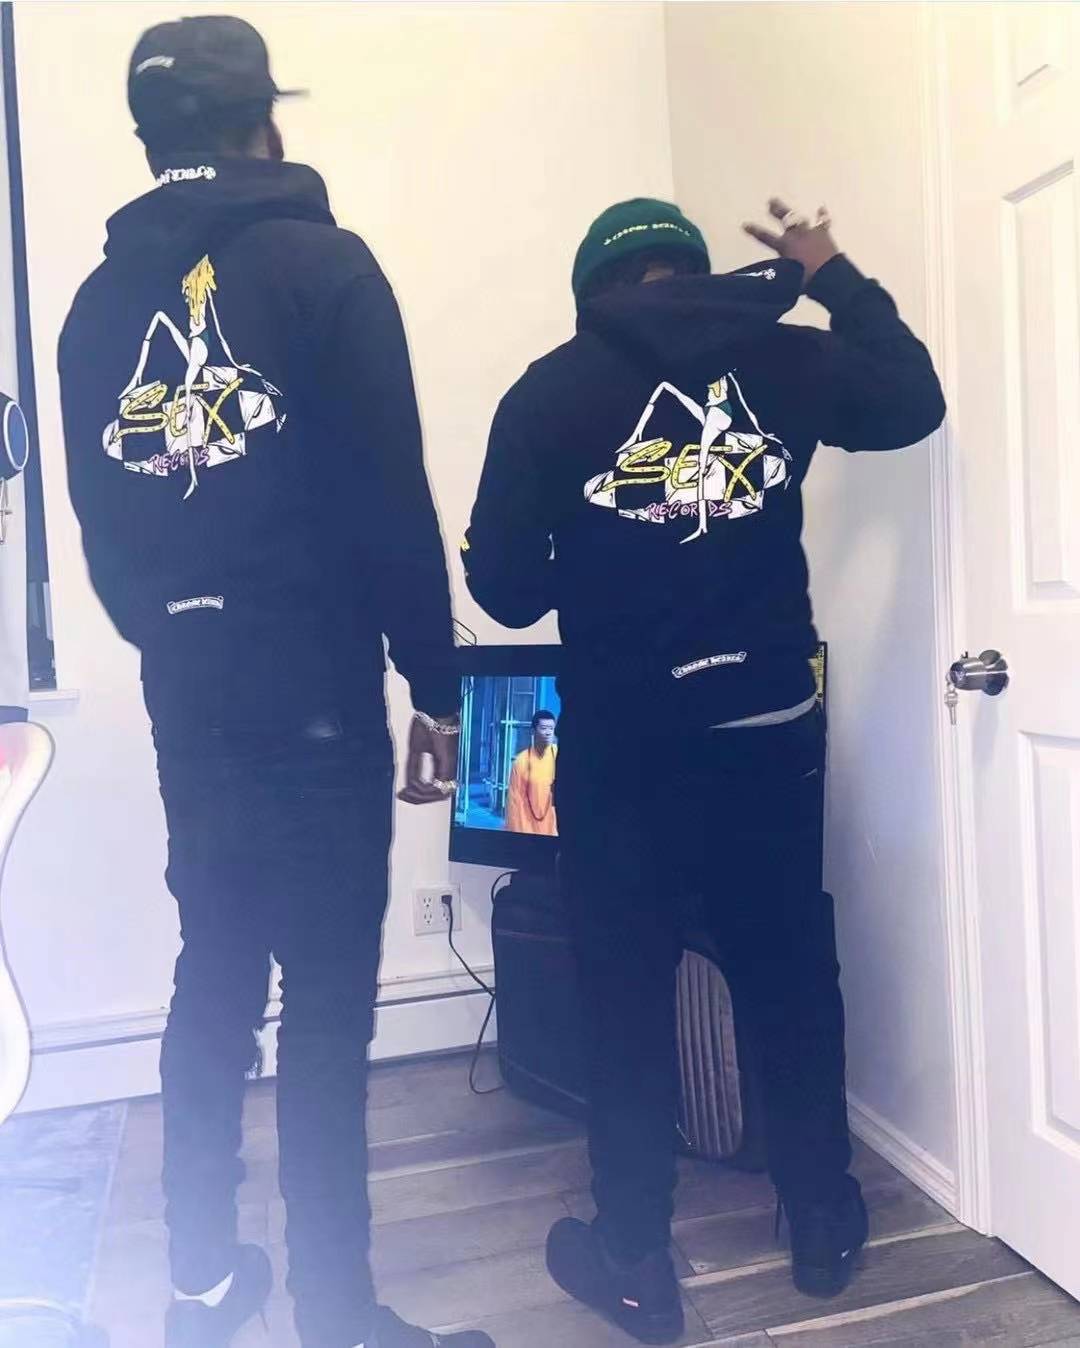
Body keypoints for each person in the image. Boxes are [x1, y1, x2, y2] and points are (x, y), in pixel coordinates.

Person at [59, 18, 489, 1348]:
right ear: (265, 123)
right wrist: (436, 683)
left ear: (151, 141)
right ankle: (341, 1316)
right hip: (314, 696)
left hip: (191, 697)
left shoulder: (92, 307)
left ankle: (201, 1286)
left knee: (214, 974)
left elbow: (104, 531)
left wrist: (178, 633)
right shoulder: (326, 267)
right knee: (327, 1010)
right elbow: (389, 498)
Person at [464, 196, 945, 1343]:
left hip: (626, 746)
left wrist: (588, 550)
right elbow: (913, 399)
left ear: (591, 293)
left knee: (623, 999)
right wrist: (827, 268)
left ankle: (636, 1259)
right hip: (767, 729)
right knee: (788, 974)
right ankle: (821, 1219)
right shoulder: (783, 356)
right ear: (694, 270)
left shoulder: (549, 392)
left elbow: (508, 593)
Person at [505, 710, 558, 835]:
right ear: (533, 731)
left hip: (554, 828)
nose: (548, 732)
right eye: (544, 728)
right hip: (528, 828)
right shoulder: (521, 761)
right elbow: (515, 801)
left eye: (551, 728)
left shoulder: (560, 757)